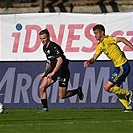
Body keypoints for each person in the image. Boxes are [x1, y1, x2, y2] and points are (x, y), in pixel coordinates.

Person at [84, 24, 133, 112]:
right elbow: (94, 58)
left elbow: (122, 39)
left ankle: (129, 93)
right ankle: (128, 107)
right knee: (116, 88)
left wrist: (132, 47)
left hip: (122, 66)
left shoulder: (108, 39)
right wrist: (89, 61)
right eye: (94, 33)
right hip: (119, 67)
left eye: (96, 33)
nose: (95, 35)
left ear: (102, 33)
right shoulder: (100, 45)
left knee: (107, 87)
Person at [39, 29, 84, 112]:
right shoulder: (45, 48)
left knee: (62, 96)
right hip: (53, 69)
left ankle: (77, 91)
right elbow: (49, 61)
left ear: (48, 37)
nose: (42, 40)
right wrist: (45, 72)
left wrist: (53, 72)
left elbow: (60, 60)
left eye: (44, 38)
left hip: (62, 71)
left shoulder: (54, 47)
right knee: (42, 87)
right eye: (41, 38)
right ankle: (45, 109)